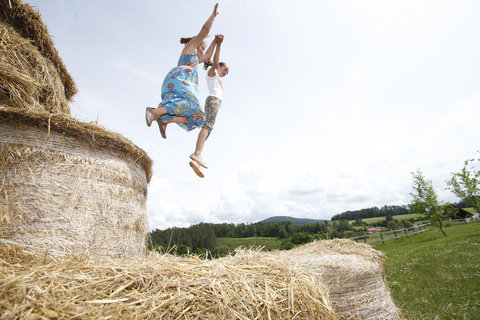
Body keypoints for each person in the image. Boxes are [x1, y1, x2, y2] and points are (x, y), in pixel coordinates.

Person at [145, 3, 219, 138]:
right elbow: (205, 31)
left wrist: (216, 42)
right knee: (190, 103)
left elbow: (208, 56)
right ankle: (154, 112)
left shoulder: (195, 60)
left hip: (186, 83)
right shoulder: (189, 48)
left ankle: (165, 119)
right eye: (201, 47)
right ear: (195, 44)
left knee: (199, 117)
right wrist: (213, 16)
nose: (202, 51)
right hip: (179, 78)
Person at [189, 34, 229, 178]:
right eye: (224, 70)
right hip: (213, 100)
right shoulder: (212, 73)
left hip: (215, 102)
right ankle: (197, 153)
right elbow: (215, 61)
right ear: (218, 66)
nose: (225, 73)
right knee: (208, 125)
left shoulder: (217, 77)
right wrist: (218, 44)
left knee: (208, 128)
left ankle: (197, 160)